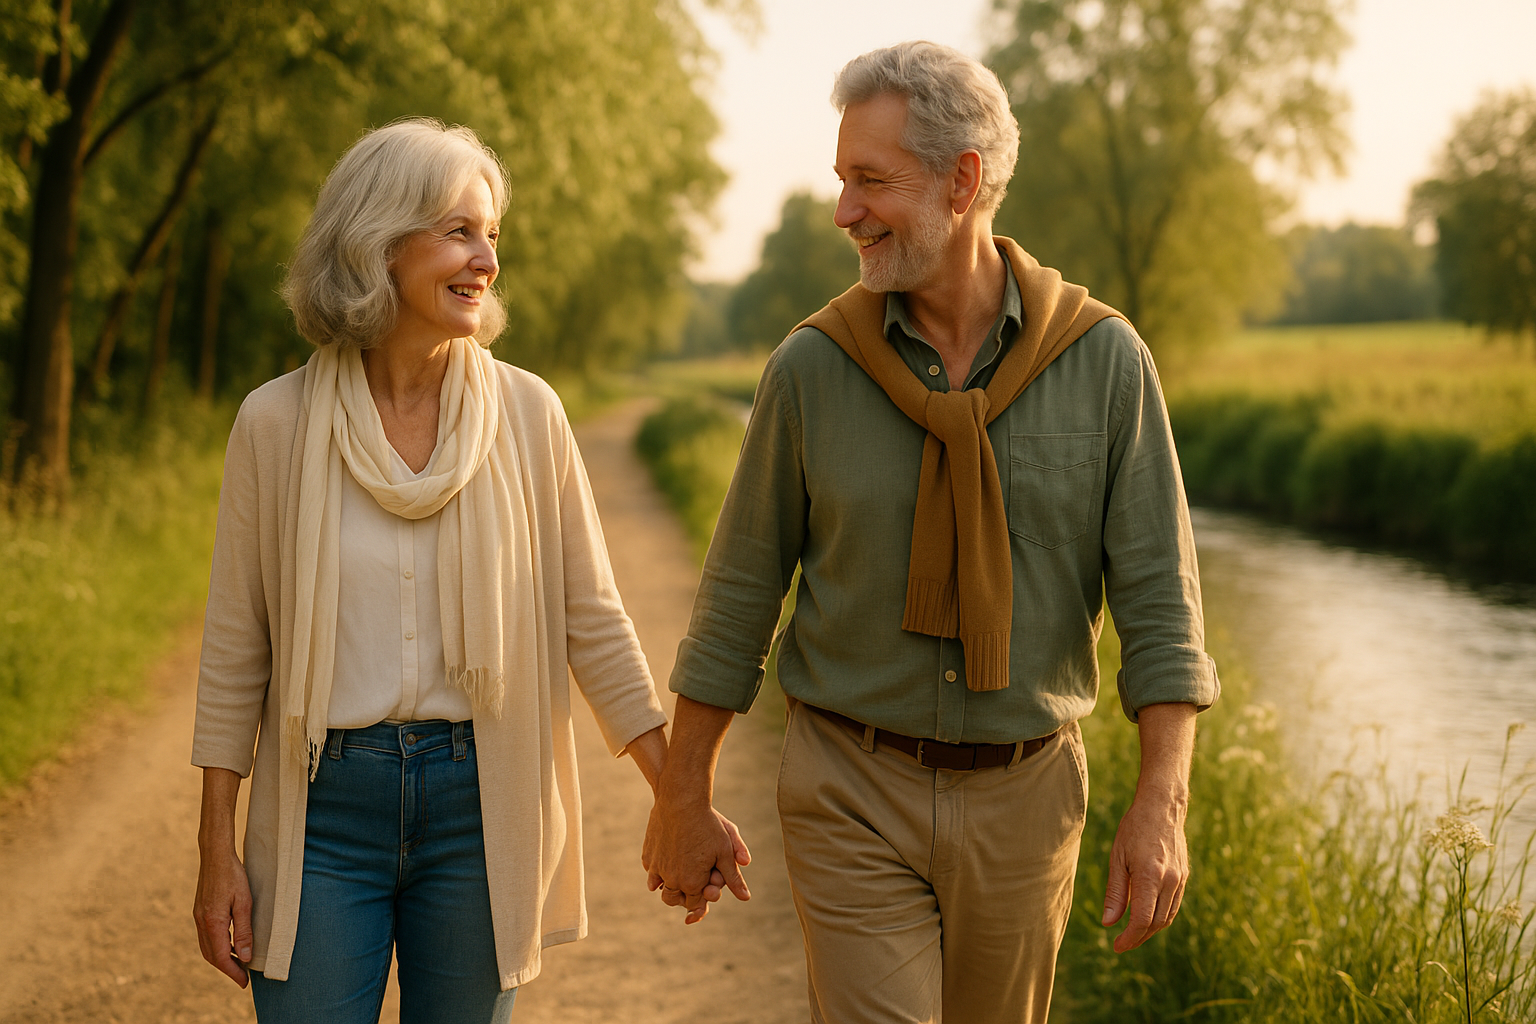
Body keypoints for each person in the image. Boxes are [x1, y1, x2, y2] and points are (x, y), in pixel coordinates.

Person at [643, 42, 1220, 1023]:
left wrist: (1162, 803)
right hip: (849, 786)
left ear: (963, 181)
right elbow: (740, 598)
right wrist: (682, 793)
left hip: (1029, 798)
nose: (844, 211)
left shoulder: (1106, 363)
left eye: (871, 180)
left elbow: (1162, 608)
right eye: (841, 180)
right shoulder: (811, 370)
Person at [190, 118, 744, 1024]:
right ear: (379, 242)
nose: (486, 258)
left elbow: (592, 622)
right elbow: (233, 650)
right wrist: (217, 851)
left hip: (481, 811)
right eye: (458, 231)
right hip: (322, 817)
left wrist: (679, 797)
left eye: (492, 235)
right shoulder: (275, 424)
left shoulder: (530, 415)